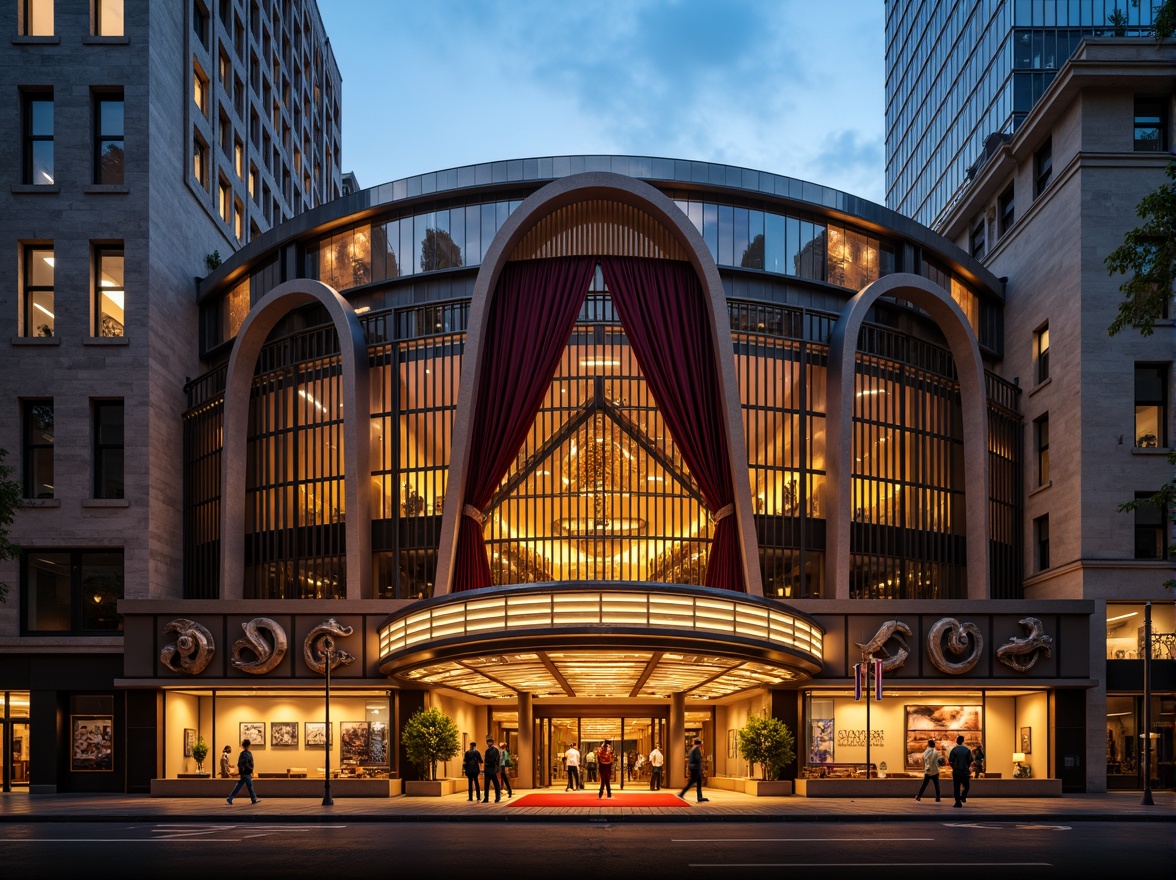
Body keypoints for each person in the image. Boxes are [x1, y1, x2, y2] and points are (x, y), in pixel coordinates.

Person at [226, 740, 261, 805]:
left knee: (244, 785)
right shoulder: (248, 753)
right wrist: (250, 770)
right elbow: (249, 763)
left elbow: (240, 764)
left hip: (244, 772)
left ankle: (253, 799)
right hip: (247, 772)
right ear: (248, 745)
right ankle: (231, 797)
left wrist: (240, 771)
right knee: (247, 786)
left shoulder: (242, 754)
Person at [678, 737, 709, 803]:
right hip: (696, 768)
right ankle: (682, 793)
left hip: (693, 767)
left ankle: (699, 796)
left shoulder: (692, 749)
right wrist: (700, 767)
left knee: (698, 782)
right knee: (692, 782)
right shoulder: (697, 749)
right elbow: (698, 759)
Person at [947, 734, 974, 807]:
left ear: (957, 741)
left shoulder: (954, 750)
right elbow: (970, 760)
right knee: (967, 786)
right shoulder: (967, 750)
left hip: (956, 772)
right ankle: (963, 796)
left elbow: (950, 760)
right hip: (965, 772)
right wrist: (967, 766)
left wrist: (954, 767)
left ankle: (957, 802)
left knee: (956, 787)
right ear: (963, 741)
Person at [481, 736, 501, 803]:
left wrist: (496, 768)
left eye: (490, 742)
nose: (488, 743)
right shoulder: (487, 750)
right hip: (488, 768)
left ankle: (497, 797)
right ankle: (486, 798)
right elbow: (485, 759)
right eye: (488, 742)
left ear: (492, 742)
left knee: (495, 783)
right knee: (487, 784)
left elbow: (494, 759)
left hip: (492, 768)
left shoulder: (494, 750)